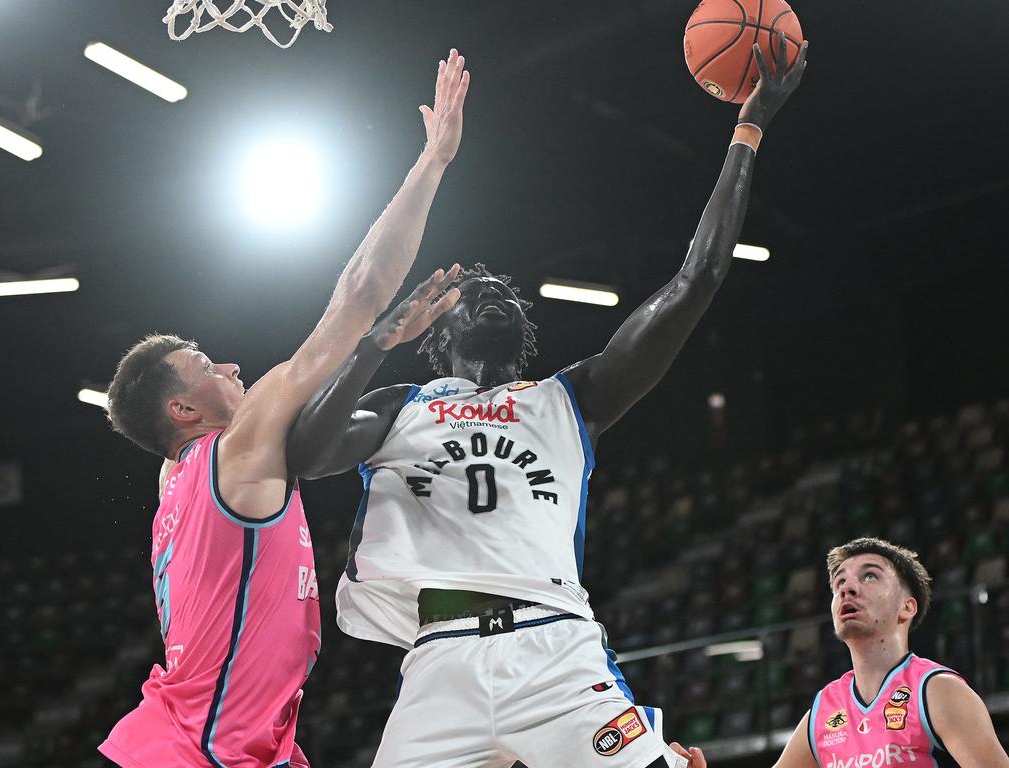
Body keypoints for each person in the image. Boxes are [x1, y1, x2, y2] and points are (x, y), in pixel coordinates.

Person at [288, 37, 808, 768]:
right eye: (475, 292)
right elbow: (306, 456)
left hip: (556, 654)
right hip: (440, 665)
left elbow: (698, 278)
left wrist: (748, 128)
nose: (493, 294)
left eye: (506, 294)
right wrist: (376, 339)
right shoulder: (396, 403)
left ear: (526, 330)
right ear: (439, 326)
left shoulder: (573, 398)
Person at [97, 49, 471, 768]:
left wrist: (376, 354)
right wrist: (433, 163)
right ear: (182, 408)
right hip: (198, 753)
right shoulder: (233, 451)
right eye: (207, 365)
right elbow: (359, 295)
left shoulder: (178, 478)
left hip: (230, 742)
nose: (232, 366)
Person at [769, 537, 1009, 768]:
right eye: (839, 582)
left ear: (907, 607)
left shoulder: (938, 691)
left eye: (869, 576)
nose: (847, 589)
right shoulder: (824, 710)